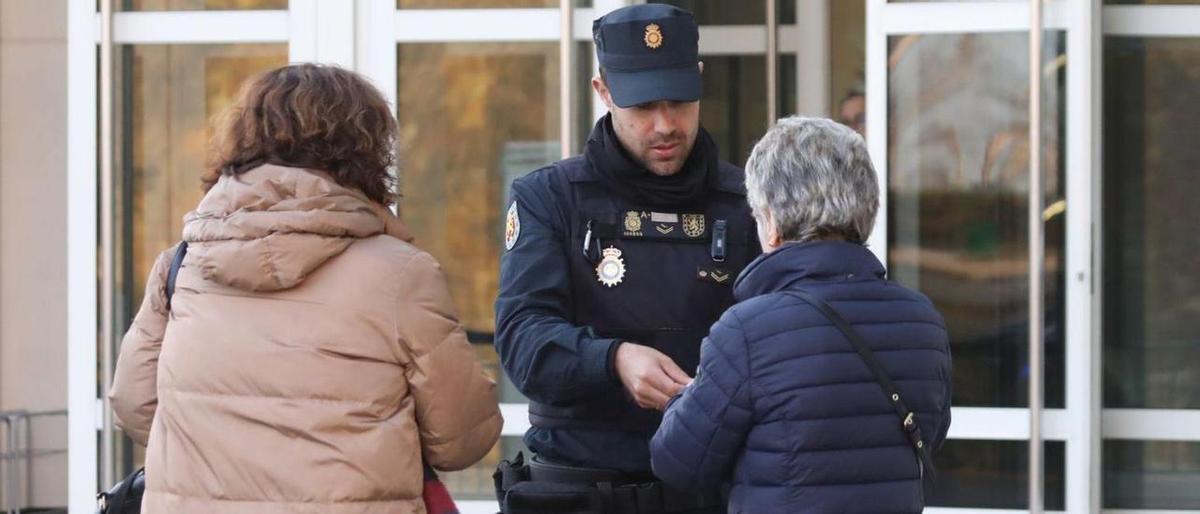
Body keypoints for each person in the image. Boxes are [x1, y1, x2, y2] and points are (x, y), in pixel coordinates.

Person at [108, 63, 502, 514]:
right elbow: (462, 439)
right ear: (365, 150)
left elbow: (135, 406)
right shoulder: (400, 275)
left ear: (242, 140)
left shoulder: (182, 266)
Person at [492, 4, 760, 513]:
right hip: (579, 488)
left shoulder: (746, 203)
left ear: (699, 81)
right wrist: (613, 360)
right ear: (604, 92)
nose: (664, 125)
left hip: (706, 491)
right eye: (641, 106)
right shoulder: (549, 198)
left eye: (679, 101)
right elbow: (523, 340)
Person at [650, 117, 952, 513]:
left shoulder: (748, 330)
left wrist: (682, 399)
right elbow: (931, 432)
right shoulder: (921, 319)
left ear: (771, 222)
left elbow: (678, 462)